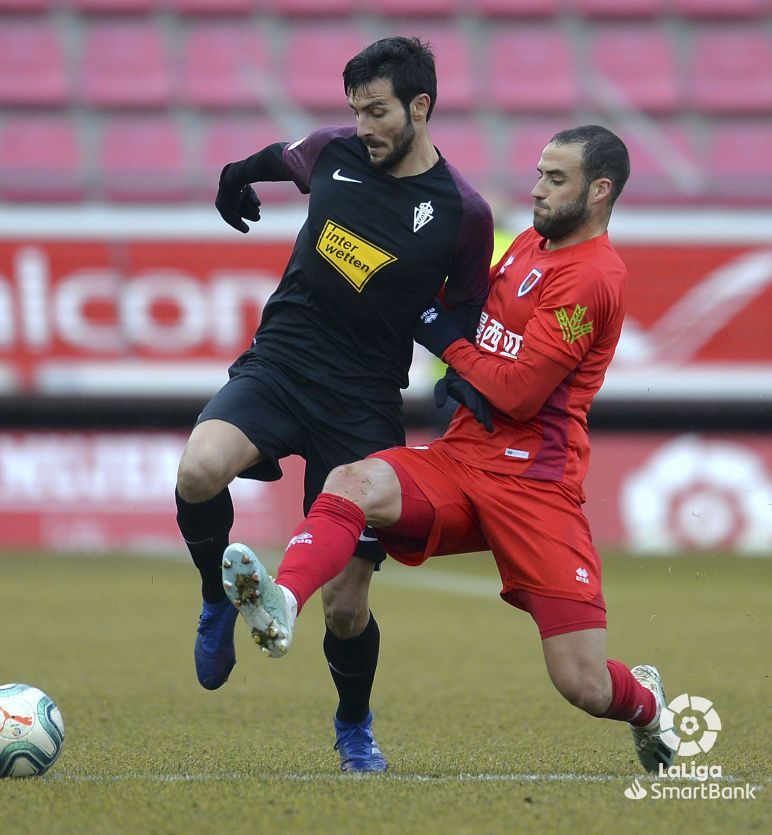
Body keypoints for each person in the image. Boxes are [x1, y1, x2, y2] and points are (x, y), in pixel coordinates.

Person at [221, 125, 677, 774]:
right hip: (463, 459)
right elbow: (467, 314)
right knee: (352, 481)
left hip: (535, 487)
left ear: (599, 191)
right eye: (539, 173)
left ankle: (648, 705)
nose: (537, 188)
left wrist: (445, 342)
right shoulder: (528, 245)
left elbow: (518, 393)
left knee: (583, 684)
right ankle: (283, 602)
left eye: (556, 179)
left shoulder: (595, 277)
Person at [175, 36, 494, 772]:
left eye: (377, 111)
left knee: (346, 608)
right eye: (356, 110)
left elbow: (468, 313)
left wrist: (460, 369)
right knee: (197, 471)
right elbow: (275, 157)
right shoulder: (333, 151)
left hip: (364, 402)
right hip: (282, 363)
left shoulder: (462, 215)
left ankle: (354, 726)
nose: (366, 125)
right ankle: (215, 599)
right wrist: (233, 178)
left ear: (420, 106)